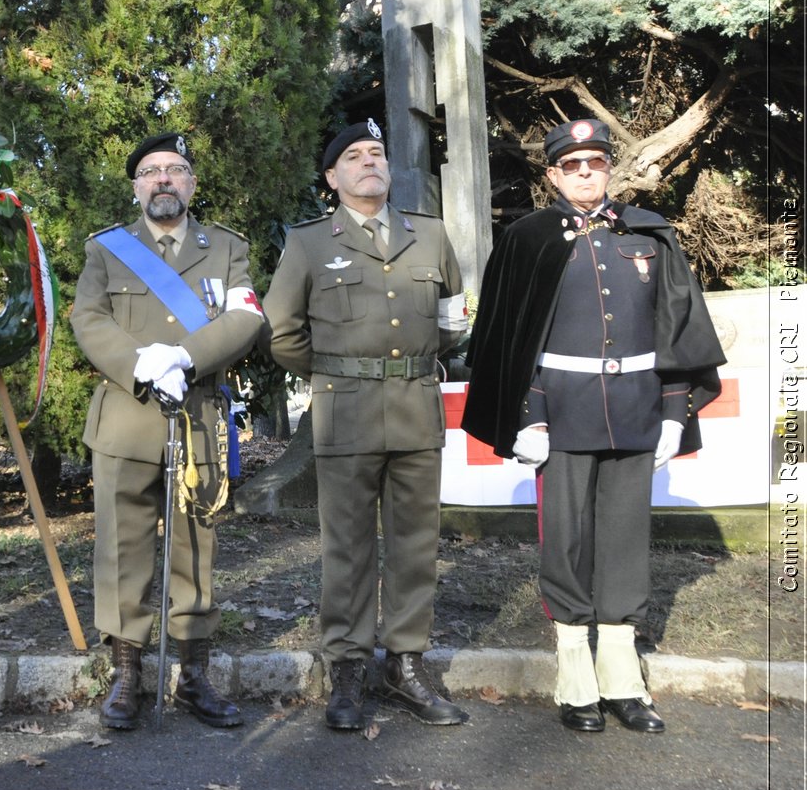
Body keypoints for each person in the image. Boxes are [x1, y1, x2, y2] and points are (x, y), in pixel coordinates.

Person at [463, 118, 725, 734]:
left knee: (626, 541)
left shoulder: (649, 234)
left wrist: (672, 413)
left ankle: (623, 678)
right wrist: (529, 417)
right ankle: (575, 672)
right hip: (561, 415)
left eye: (597, 163)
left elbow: (677, 330)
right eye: (573, 165)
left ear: (610, 168)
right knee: (568, 540)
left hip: (636, 410)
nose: (586, 173)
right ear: (552, 173)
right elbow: (514, 338)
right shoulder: (528, 238)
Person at [264, 119, 470, 731]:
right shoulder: (306, 244)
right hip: (345, 412)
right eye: (353, 156)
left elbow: (453, 320)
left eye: (376, 154)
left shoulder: (429, 238)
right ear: (332, 177)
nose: (369, 163)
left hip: (415, 409)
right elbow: (281, 333)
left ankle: (405, 665)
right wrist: (340, 372)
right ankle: (348, 669)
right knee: (347, 549)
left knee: (414, 546)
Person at [70, 132, 263, 730]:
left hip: (199, 416)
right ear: (136, 186)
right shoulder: (108, 250)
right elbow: (88, 317)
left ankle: (194, 677)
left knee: (195, 550)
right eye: (151, 171)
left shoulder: (226, 248)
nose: (162, 180)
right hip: (127, 418)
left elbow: (246, 314)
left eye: (175, 171)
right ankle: (127, 675)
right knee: (123, 549)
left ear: (192, 185)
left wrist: (183, 358)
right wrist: (141, 365)